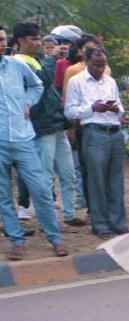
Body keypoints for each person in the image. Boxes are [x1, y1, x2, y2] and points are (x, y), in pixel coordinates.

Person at [0, 24, 67, 260]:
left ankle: (55, 237)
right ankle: (16, 240)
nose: (0, 44)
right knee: (4, 196)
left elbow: (37, 85)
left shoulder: (16, 66)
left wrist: (28, 102)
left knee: (40, 188)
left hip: (23, 138)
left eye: (1, 40)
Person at [11, 19, 82, 228]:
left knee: (68, 173)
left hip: (56, 124)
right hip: (41, 127)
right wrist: (52, 58)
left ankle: (68, 214)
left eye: (39, 38)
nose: (38, 42)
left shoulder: (37, 59)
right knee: (44, 177)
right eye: (34, 39)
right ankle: (47, 219)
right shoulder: (19, 62)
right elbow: (44, 82)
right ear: (21, 40)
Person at [64, 45, 127, 238]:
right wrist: (92, 108)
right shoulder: (77, 81)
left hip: (114, 131)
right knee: (96, 180)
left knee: (116, 179)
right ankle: (100, 225)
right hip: (94, 131)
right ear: (86, 61)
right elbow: (70, 111)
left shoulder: (110, 81)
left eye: (103, 65)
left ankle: (119, 223)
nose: (100, 69)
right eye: (96, 65)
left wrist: (117, 110)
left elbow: (121, 107)